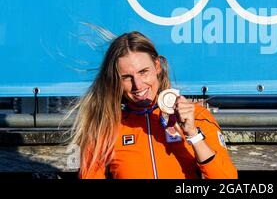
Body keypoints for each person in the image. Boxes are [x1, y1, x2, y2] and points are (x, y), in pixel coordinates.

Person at [69, 31, 238, 179]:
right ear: (115, 80)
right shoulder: (105, 126)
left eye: (144, 72)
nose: (138, 85)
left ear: (157, 66)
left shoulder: (197, 116)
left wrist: (193, 134)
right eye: (126, 77)